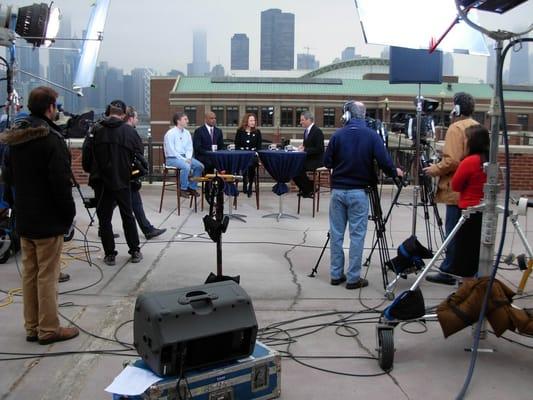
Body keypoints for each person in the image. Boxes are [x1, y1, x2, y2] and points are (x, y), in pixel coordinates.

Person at [0, 86, 79, 344]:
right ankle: (49, 328)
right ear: (50, 108)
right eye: (55, 106)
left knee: (30, 273)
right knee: (47, 275)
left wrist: (16, 207)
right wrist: (68, 215)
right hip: (47, 219)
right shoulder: (50, 139)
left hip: (24, 217)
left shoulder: (17, 137)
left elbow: (8, 178)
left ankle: (32, 326)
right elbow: (60, 183)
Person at [324, 100, 402, 289]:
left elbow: (327, 162)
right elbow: (384, 162)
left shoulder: (337, 135)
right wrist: (395, 172)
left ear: (347, 116)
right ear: (364, 115)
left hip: (338, 192)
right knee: (357, 235)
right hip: (359, 192)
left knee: (336, 234)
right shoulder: (372, 136)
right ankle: (353, 278)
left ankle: (336, 274)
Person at [423, 92, 479, 285]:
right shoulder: (478, 127)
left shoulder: (456, 128)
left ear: (456, 109)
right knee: (470, 235)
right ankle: (469, 271)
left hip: (457, 189)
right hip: (475, 190)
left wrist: (434, 169)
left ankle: (449, 270)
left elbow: (453, 160)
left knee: (453, 232)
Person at [82, 100, 143, 266]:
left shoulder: (95, 130)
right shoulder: (129, 132)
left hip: (100, 182)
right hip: (123, 180)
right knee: (127, 215)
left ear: (108, 113)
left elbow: (86, 159)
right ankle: (135, 250)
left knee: (104, 218)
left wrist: (92, 171)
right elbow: (139, 155)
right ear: (123, 115)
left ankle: (110, 254)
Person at [447, 124, 489, 278]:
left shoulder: (470, 161)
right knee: (478, 249)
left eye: (466, 138)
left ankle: (465, 281)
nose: (464, 141)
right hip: (484, 209)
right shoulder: (487, 160)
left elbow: (456, 185)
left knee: (465, 250)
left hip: (468, 210)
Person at [125, 106, 166, 239]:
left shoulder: (121, 131)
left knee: (133, 202)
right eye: (136, 117)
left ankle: (147, 229)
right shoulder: (129, 133)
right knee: (124, 203)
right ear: (130, 118)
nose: (137, 120)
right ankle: (147, 230)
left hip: (123, 175)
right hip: (127, 175)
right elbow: (138, 150)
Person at [163, 112, 204, 197]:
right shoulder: (170, 133)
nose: (187, 121)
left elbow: (189, 148)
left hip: (185, 157)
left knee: (199, 166)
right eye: (185, 119)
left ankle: (192, 187)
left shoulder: (187, 133)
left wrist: (188, 158)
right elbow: (171, 150)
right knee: (186, 166)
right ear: (178, 121)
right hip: (172, 158)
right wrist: (185, 160)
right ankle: (183, 189)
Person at [293, 111, 324, 198]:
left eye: (302, 120)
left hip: (316, 160)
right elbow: (306, 146)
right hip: (308, 159)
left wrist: (305, 149)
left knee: (298, 168)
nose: (300, 122)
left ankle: (308, 189)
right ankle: (309, 188)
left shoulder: (317, 132)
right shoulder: (306, 131)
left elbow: (319, 149)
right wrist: (301, 147)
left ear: (309, 120)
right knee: (293, 167)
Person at [234, 113, 262, 197]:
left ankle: (249, 184)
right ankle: (245, 182)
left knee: (251, 164)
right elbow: (237, 145)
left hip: (253, 156)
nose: (253, 122)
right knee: (245, 163)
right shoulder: (240, 131)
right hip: (242, 155)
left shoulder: (257, 132)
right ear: (246, 121)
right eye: (251, 120)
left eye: (254, 120)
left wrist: (254, 152)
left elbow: (258, 146)